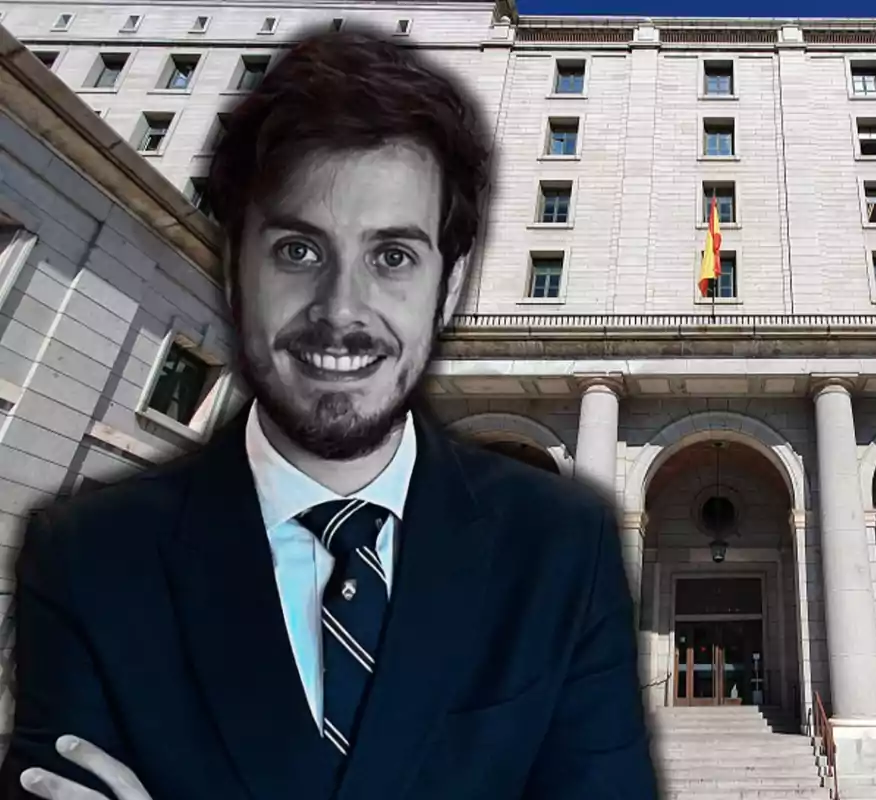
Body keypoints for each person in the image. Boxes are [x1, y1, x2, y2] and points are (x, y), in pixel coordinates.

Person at [0, 29, 659, 800]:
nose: (342, 311)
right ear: (233, 267)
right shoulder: (86, 557)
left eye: (393, 257)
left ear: (448, 289)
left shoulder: (562, 552)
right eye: (298, 251)